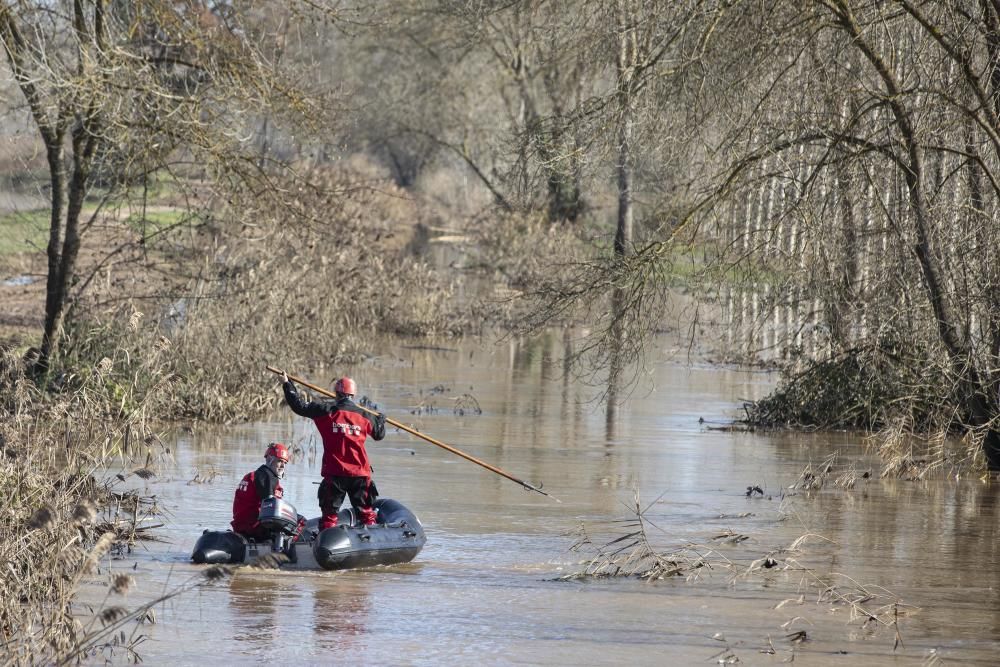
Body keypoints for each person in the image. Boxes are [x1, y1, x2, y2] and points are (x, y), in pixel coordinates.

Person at [282, 372, 386, 530]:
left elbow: (299, 406)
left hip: (335, 474)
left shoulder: (325, 411)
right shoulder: (365, 416)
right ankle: (371, 538)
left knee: (329, 518)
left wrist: (287, 384)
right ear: (353, 395)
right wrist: (381, 420)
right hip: (360, 474)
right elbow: (379, 434)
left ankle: (326, 542)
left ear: (336, 394)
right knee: (366, 515)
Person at [231, 442, 291, 540]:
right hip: (254, 528)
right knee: (301, 522)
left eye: (285, 463)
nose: (283, 466)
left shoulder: (253, 476)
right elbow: (271, 509)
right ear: (270, 459)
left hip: (241, 526)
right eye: (280, 461)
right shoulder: (267, 477)